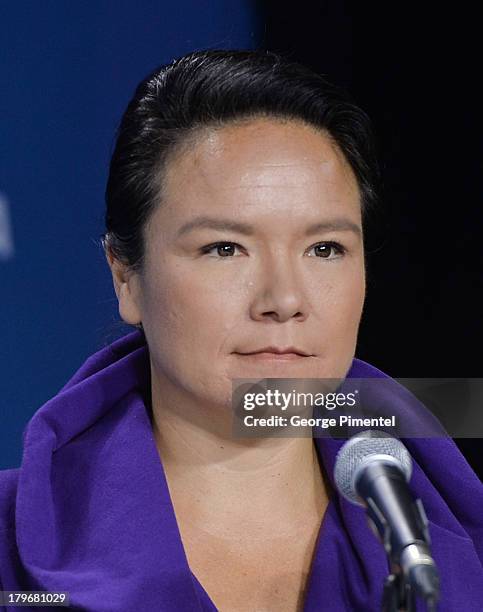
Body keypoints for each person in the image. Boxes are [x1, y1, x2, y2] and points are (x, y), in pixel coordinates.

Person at [0, 49, 482, 612]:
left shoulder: (460, 550)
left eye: (325, 249)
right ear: (126, 276)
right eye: (224, 248)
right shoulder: (10, 555)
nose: (284, 300)